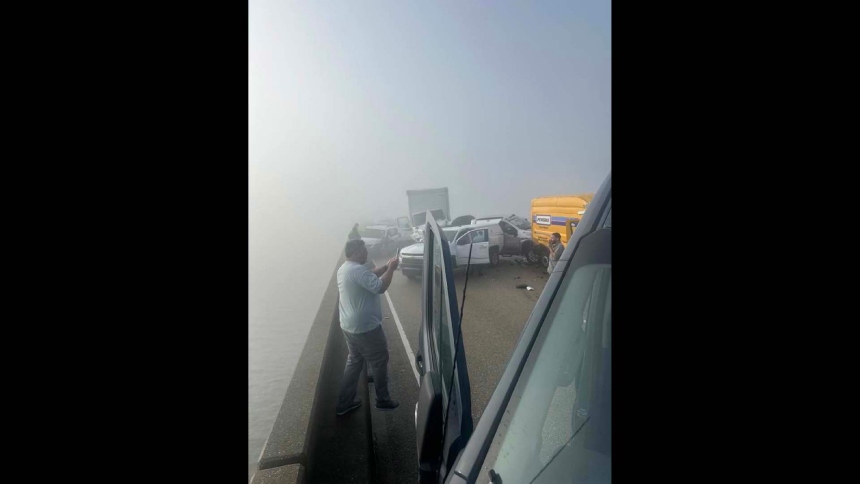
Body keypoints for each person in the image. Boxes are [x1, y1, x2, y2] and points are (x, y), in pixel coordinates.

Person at [335, 238, 401, 415]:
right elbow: (379, 287)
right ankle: (383, 399)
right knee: (379, 361)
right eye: (364, 250)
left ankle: (344, 402)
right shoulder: (357, 270)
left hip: (348, 326)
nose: (367, 253)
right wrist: (392, 270)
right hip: (366, 329)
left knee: (355, 361)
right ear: (356, 252)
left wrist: (386, 267)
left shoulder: (345, 268)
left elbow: (370, 274)